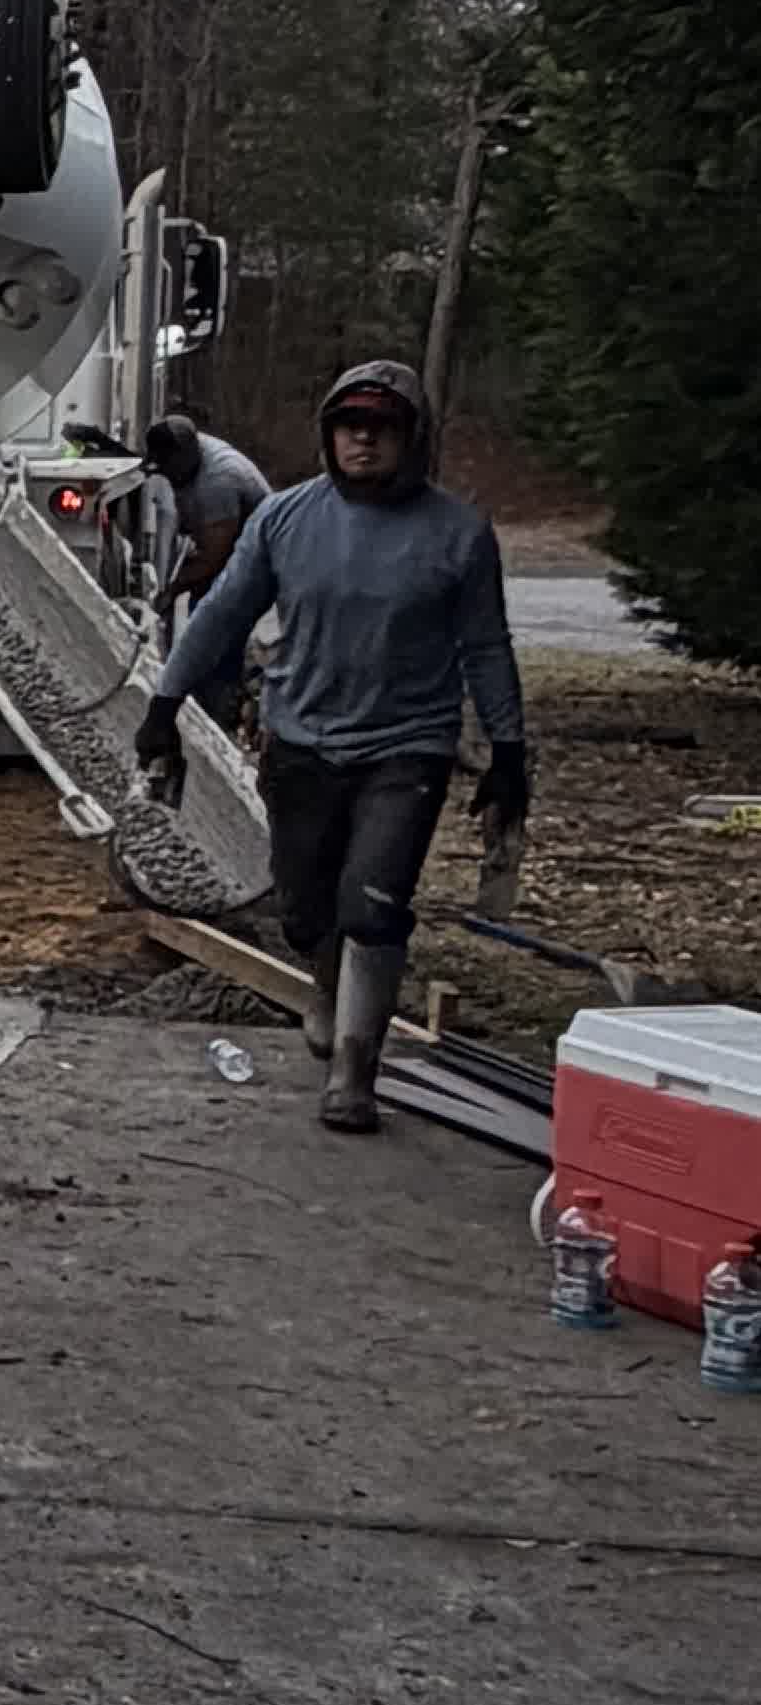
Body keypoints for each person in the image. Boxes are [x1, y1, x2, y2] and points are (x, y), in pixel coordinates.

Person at [134, 357, 526, 1135]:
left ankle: (355, 1071)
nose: (366, 443)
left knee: (375, 904)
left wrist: (510, 750)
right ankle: (322, 972)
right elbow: (221, 615)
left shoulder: (459, 535)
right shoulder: (286, 520)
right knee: (308, 909)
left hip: (405, 746)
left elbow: (486, 646)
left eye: (383, 429)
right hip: (302, 739)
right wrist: (164, 700)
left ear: (412, 439)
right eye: (352, 428)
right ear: (329, 435)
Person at [143, 404, 273, 619]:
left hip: (258, 554)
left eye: (167, 467)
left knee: (209, 616)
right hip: (227, 543)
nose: (165, 474)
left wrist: (172, 590)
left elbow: (212, 558)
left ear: (183, 459)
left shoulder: (218, 482)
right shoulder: (190, 448)